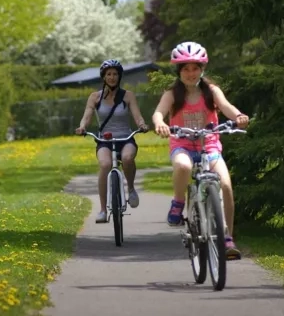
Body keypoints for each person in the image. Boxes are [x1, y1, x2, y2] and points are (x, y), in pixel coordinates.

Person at [151, 42, 249, 258]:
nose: (190, 73)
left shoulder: (211, 91)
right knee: (184, 166)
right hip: (183, 145)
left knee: (225, 184)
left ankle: (227, 238)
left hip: (210, 145)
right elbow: (158, 112)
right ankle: (178, 203)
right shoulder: (172, 93)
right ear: (179, 71)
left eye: (195, 68)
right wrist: (160, 123)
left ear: (202, 68)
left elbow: (226, 107)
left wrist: (238, 116)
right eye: (185, 68)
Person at [75, 59, 150, 223]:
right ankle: (102, 210)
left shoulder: (128, 96)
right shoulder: (95, 97)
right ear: (103, 77)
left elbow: (137, 115)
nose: (112, 77)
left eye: (115, 74)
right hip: (104, 140)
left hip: (125, 137)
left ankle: (130, 188)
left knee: (128, 158)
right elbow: (87, 116)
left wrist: (142, 125)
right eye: (108, 74)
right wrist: (82, 127)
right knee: (105, 165)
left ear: (119, 76)